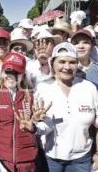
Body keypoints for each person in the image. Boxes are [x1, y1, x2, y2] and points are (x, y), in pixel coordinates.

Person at [35, 42, 98, 172]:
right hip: (50, 159)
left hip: (82, 159)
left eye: (72, 62)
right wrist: (35, 121)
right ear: (52, 63)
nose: (67, 67)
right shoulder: (42, 88)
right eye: (62, 61)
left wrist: (97, 153)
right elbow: (34, 125)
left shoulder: (89, 88)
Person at [0, 52, 40, 172]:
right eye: (8, 72)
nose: (11, 76)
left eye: (16, 73)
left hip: (26, 161)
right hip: (0, 159)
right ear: (2, 72)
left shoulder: (31, 95)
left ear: (23, 75)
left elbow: (42, 124)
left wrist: (35, 125)